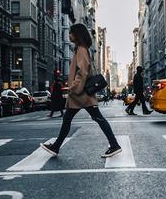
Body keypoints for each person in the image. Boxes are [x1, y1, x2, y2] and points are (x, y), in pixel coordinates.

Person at [40, 24, 122, 158]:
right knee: (69, 119)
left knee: (97, 118)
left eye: (71, 33)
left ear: (77, 35)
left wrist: (74, 87)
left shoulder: (82, 50)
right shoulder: (79, 49)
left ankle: (114, 145)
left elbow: (83, 71)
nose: (69, 35)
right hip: (79, 94)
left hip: (81, 93)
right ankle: (56, 146)